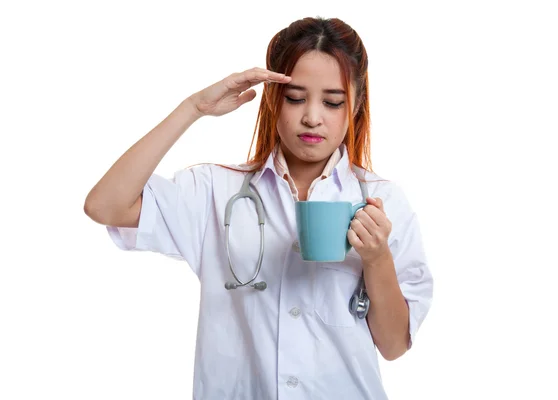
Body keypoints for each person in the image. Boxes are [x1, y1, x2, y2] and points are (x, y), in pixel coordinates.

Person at [84, 16, 433, 400]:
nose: (312, 117)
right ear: (271, 98)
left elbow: (395, 345)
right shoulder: (215, 190)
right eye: (295, 98)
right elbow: (105, 206)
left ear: (356, 103)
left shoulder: (382, 201)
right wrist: (193, 108)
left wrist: (377, 257)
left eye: (332, 102)